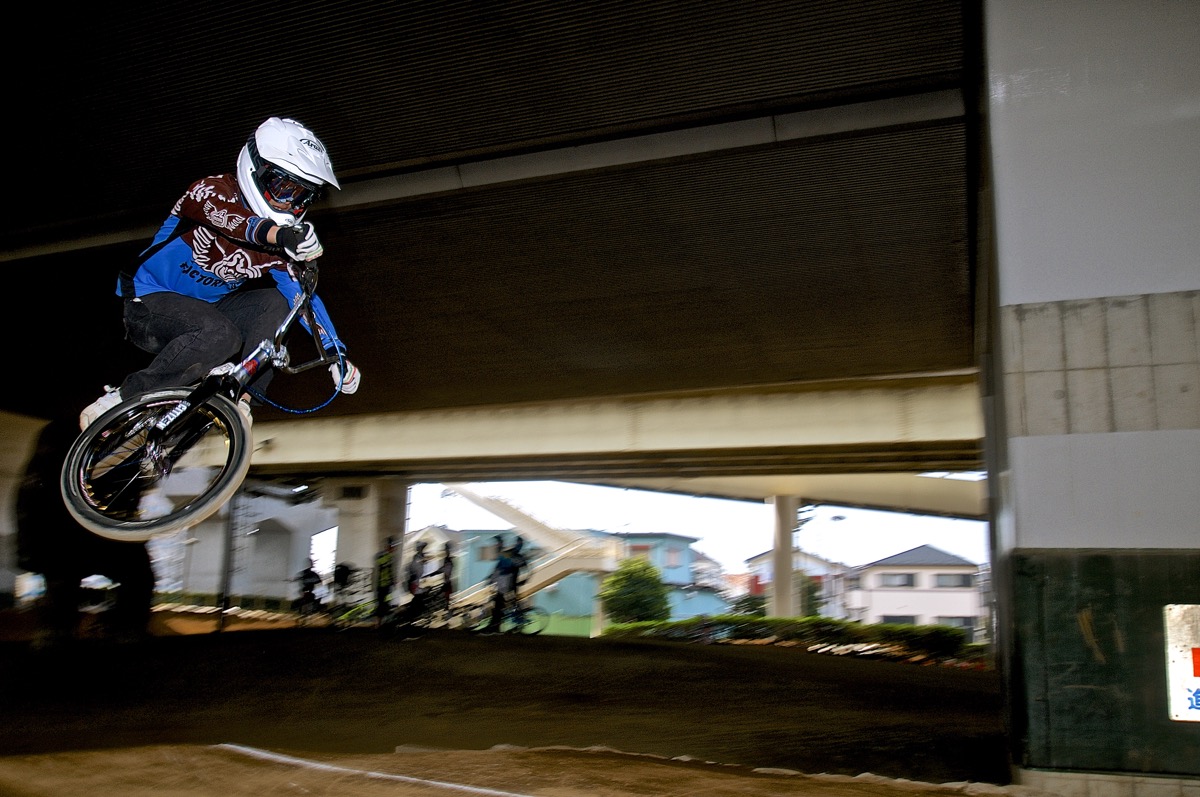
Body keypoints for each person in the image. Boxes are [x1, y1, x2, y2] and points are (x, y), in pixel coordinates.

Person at [79, 116, 361, 431]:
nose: (290, 202)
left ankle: (240, 401)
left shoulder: (281, 250)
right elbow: (234, 221)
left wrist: (336, 352)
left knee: (277, 303)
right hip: (147, 301)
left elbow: (303, 299)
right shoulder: (210, 191)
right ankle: (123, 398)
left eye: (301, 195)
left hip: (205, 314)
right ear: (256, 169)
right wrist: (280, 237)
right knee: (221, 334)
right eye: (283, 187)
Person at [16, 417, 156, 646]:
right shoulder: (67, 441)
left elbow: (29, 497)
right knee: (64, 586)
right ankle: (61, 631)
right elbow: (32, 496)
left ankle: (63, 632)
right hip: (69, 535)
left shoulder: (108, 439)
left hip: (86, 535)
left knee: (135, 577)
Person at [481, 535, 528, 634]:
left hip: (509, 584)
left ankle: (495, 626)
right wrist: (490, 579)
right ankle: (502, 626)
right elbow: (497, 570)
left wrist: (490, 579)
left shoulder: (512, 555)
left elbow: (499, 570)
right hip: (508, 584)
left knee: (500, 604)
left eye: (497, 544)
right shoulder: (508, 555)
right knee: (506, 604)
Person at [372, 536, 398, 629]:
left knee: (385, 603)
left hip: (386, 585)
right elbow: (384, 568)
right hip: (382, 585)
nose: (394, 549)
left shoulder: (388, 557)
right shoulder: (385, 556)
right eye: (393, 547)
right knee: (381, 604)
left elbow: (389, 571)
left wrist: (393, 580)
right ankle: (378, 623)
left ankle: (381, 623)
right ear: (389, 547)